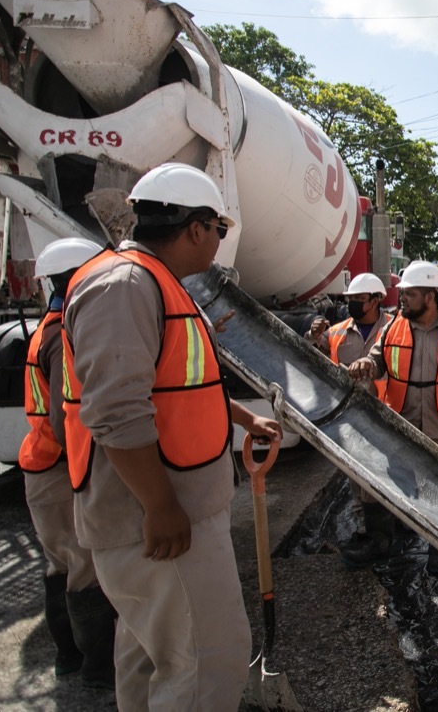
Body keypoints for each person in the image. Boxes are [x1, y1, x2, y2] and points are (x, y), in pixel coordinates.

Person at [61, 163, 282, 710]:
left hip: (166, 515)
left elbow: (174, 386)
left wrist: (243, 418)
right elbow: (115, 409)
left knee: (149, 660)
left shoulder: (155, 284)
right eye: (219, 230)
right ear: (195, 228)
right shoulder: (126, 286)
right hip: (160, 524)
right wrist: (160, 505)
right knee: (206, 661)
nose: (219, 243)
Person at [349, 260, 438, 576]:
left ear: (429, 296)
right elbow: (376, 361)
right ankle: (381, 541)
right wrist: (365, 365)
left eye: (409, 294)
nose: (402, 299)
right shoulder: (394, 326)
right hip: (400, 423)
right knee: (377, 484)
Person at [23, 237, 116, 690]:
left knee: (59, 564)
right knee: (83, 568)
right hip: (59, 468)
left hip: (42, 466)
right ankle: (98, 667)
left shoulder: (47, 326)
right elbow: (66, 423)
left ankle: (68, 658)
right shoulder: (62, 335)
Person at [309, 273, 401, 568]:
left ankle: (385, 534)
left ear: (376, 301)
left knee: (382, 479)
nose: (352, 305)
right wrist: (313, 336)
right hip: (349, 418)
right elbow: (312, 354)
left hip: (384, 414)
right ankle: (368, 532)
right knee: (357, 481)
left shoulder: (394, 329)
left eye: (358, 301)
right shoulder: (337, 332)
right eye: (349, 301)